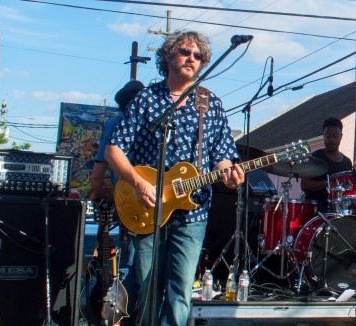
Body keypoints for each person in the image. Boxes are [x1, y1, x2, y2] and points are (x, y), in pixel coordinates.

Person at [105, 30, 244, 326]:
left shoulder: (210, 103)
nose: (191, 59)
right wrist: (138, 183)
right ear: (168, 57)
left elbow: (221, 155)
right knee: (148, 288)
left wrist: (229, 175)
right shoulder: (146, 100)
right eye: (184, 52)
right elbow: (113, 150)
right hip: (148, 206)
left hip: (194, 212)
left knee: (180, 290)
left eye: (197, 55)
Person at [87, 79, 146, 319]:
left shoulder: (115, 122)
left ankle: (118, 315)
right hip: (152, 197)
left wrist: (96, 194)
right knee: (140, 258)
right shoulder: (145, 121)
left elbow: (99, 168)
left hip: (127, 199)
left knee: (129, 257)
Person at [300, 117, 354, 213]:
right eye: (328, 136)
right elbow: (305, 185)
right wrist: (332, 183)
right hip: (316, 211)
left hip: (341, 212)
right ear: (323, 136)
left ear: (341, 136)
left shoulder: (347, 162)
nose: (331, 139)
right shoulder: (315, 158)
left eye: (335, 136)